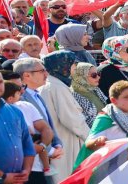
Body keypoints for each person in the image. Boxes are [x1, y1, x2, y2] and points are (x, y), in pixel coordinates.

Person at [74, 81, 128, 168]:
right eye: (127, 97)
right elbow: (89, 143)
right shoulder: (106, 118)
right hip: (110, 168)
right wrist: (97, 141)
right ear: (114, 100)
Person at [38, 51, 88, 181]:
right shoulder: (56, 87)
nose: (74, 69)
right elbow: (72, 120)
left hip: (59, 139)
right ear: (63, 66)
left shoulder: (52, 84)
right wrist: (90, 137)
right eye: (72, 66)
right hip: (64, 141)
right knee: (66, 177)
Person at [69, 63, 108, 127]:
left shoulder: (95, 89)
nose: (98, 77)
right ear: (81, 77)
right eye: (94, 75)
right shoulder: (74, 95)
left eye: (98, 74)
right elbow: (83, 123)